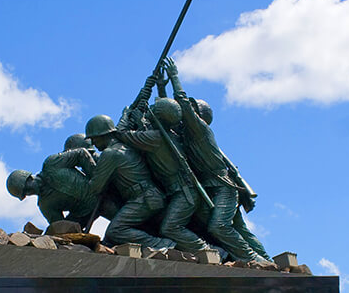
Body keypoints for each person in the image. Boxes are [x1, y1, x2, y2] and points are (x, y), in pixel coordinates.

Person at [163, 57, 271, 265]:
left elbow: (182, 106)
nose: (185, 113)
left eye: (192, 110)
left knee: (219, 226)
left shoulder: (200, 131)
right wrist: (161, 88)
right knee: (239, 228)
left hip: (224, 187)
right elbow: (170, 113)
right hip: (212, 188)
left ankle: (255, 261)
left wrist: (174, 78)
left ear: (198, 116)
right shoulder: (187, 134)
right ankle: (266, 260)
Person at [115, 84, 212, 253]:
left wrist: (125, 114)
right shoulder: (170, 135)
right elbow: (163, 112)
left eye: (153, 109)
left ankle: (211, 252)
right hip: (179, 192)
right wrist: (155, 88)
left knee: (170, 228)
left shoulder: (155, 138)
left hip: (184, 193)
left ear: (158, 117)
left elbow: (122, 133)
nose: (150, 109)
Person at [85, 113, 175, 250]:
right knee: (111, 238)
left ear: (103, 135)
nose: (93, 144)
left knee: (115, 231)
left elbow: (95, 187)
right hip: (146, 197)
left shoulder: (110, 154)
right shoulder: (124, 148)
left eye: (94, 138)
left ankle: (162, 245)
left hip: (144, 199)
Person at [6, 137, 99, 229]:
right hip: (86, 213)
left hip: (103, 194)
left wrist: (98, 179)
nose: (29, 192)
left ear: (29, 178)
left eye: (26, 189)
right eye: (25, 194)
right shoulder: (45, 205)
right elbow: (60, 226)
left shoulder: (51, 164)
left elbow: (81, 154)